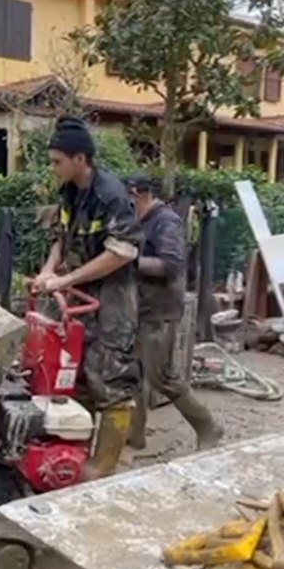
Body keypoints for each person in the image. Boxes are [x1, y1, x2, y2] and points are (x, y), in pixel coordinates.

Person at [28, 117, 143, 479]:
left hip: (111, 299)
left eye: (56, 161)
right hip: (78, 296)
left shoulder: (110, 195)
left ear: (81, 159)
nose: (53, 167)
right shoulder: (69, 192)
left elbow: (123, 252)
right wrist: (49, 272)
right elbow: (62, 239)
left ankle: (101, 469)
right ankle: (72, 457)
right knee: (73, 374)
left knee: (111, 381)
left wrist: (68, 278)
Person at [123, 173, 223, 451]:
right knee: (132, 373)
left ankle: (208, 427)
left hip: (160, 311)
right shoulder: (141, 221)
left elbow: (171, 265)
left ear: (138, 195)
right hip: (141, 308)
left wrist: (129, 260)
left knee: (163, 377)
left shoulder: (165, 221)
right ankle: (135, 434)